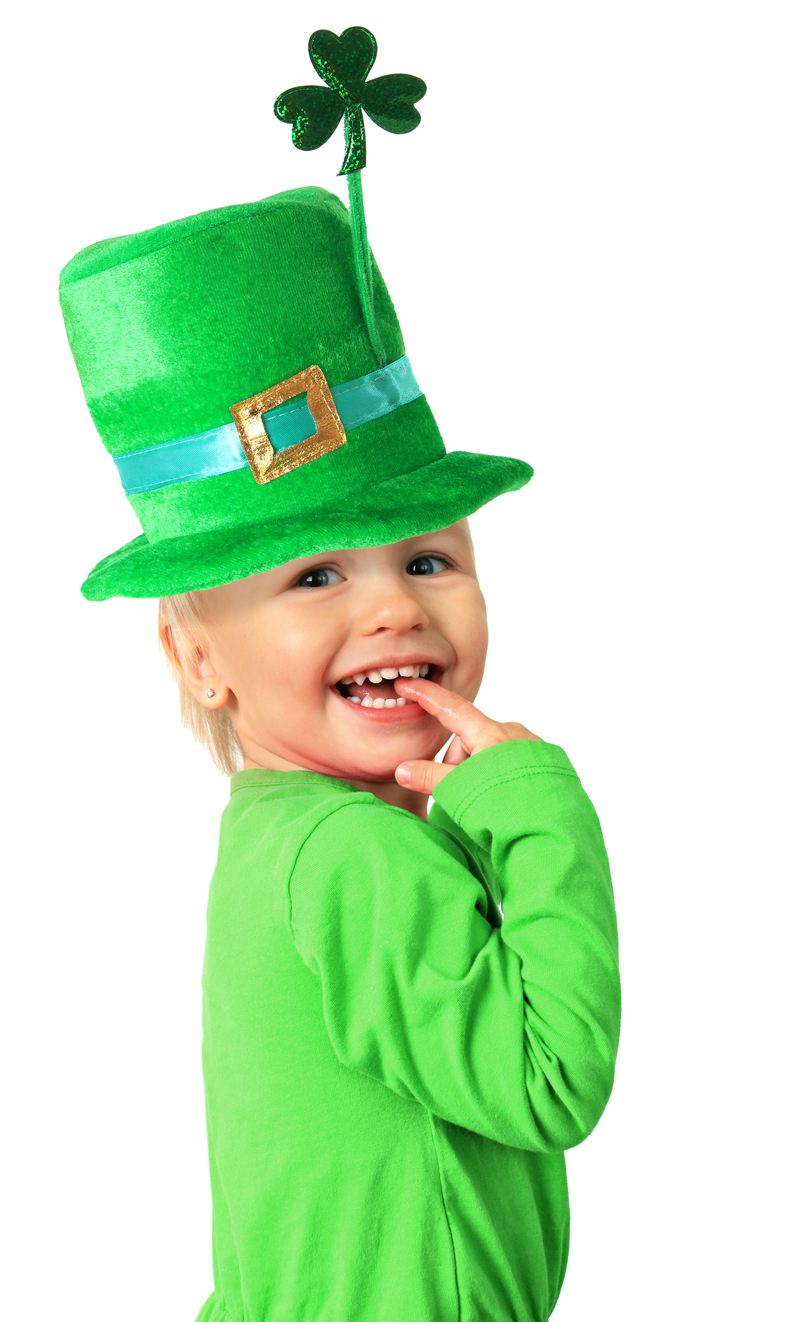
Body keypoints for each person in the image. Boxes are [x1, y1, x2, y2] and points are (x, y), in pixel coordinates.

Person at [59, 27, 620, 1322]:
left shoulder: (290, 841)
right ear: (196, 654)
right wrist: (536, 799)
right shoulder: (355, 863)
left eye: (426, 555)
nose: (389, 606)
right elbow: (548, 1080)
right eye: (313, 576)